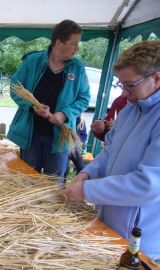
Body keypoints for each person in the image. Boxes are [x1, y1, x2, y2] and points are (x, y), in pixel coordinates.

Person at [63, 40, 160, 259]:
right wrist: (88, 173)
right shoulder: (130, 109)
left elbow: (148, 185)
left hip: (140, 238)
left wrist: (87, 191)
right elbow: (110, 151)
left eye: (130, 85)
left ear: (156, 78)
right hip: (109, 219)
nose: (124, 93)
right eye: (122, 85)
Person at [7, 20, 90, 179]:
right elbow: (15, 88)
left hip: (60, 140)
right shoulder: (32, 61)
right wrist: (32, 107)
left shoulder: (77, 67)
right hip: (31, 136)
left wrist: (65, 114)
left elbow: (84, 98)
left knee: (55, 184)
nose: (77, 48)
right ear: (59, 43)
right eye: (74, 43)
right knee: (29, 180)